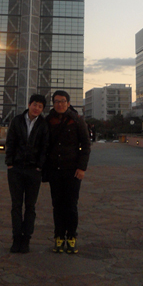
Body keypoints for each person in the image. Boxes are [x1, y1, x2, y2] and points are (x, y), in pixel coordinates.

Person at [44, 90, 91, 255]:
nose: (60, 104)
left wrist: (82, 168)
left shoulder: (77, 120)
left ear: (68, 103)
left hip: (73, 170)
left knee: (71, 205)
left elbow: (86, 145)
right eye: (57, 101)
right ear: (53, 103)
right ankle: (58, 236)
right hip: (54, 170)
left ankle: (71, 237)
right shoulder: (48, 120)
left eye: (63, 101)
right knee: (57, 205)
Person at [5, 93, 48, 254]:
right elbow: (10, 142)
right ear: (29, 105)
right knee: (16, 205)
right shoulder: (17, 120)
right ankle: (16, 238)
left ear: (42, 109)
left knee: (30, 206)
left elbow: (45, 147)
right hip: (16, 169)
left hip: (33, 170)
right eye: (34, 104)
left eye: (40, 106)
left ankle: (26, 239)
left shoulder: (43, 124)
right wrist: (9, 163)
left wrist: (39, 166)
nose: (36, 108)